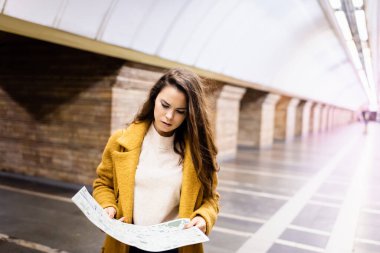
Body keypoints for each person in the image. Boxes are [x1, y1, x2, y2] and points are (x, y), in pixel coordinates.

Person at [92, 68, 220, 253]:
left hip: (176, 247)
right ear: (154, 99)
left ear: (190, 114)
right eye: (165, 105)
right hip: (126, 245)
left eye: (180, 111)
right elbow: (104, 184)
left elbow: (211, 199)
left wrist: (203, 218)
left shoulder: (199, 153)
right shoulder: (121, 141)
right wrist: (107, 207)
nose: (169, 116)